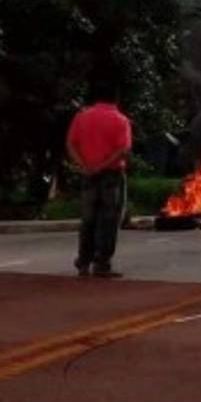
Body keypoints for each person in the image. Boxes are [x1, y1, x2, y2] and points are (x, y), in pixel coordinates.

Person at [66, 81, 132, 278]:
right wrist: (102, 167)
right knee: (109, 219)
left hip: (87, 175)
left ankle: (83, 262)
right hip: (110, 175)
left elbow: (71, 144)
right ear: (116, 98)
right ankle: (101, 263)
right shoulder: (121, 120)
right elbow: (123, 150)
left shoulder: (82, 117)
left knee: (88, 219)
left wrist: (84, 166)